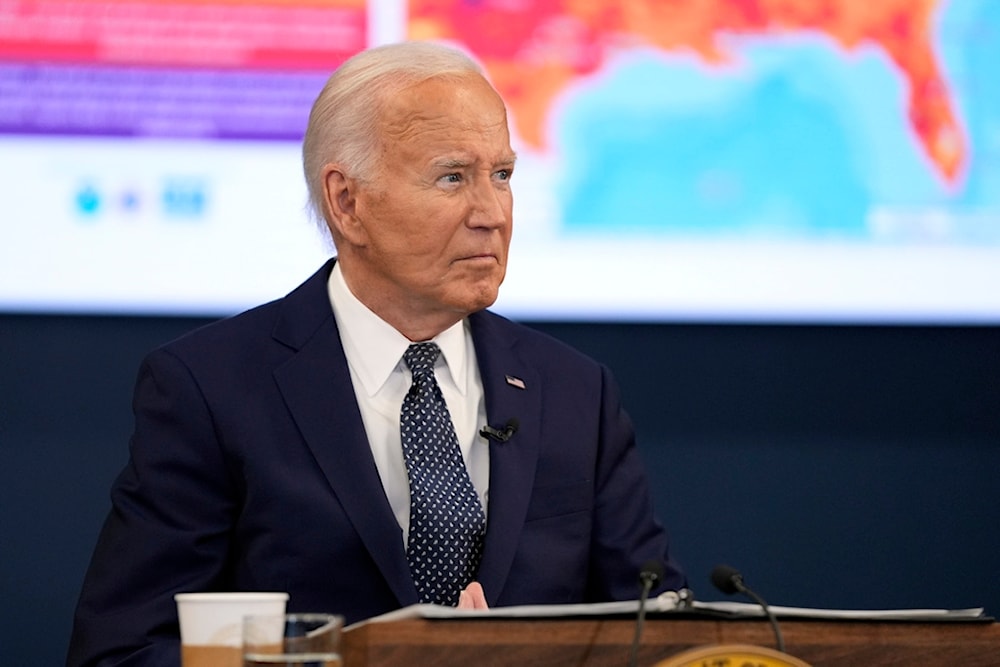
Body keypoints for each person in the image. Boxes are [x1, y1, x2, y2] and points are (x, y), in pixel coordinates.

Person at [67, 41, 687, 666]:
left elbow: (661, 635)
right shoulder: (212, 388)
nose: (492, 213)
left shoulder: (575, 392)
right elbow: (124, 651)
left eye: (501, 175)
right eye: (453, 177)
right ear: (347, 201)